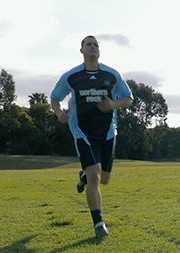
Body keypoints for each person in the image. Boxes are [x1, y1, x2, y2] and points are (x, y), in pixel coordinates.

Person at [51, 35, 133, 239]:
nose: (93, 47)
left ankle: (83, 177)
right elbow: (55, 97)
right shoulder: (71, 76)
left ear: (99, 50)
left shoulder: (112, 75)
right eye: (88, 44)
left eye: (96, 44)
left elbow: (128, 98)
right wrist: (59, 112)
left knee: (103, 179)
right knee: (95, 175)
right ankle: (98, 224)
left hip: (107, 132)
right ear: (82, 51)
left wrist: (113, 105)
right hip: (82, 131)